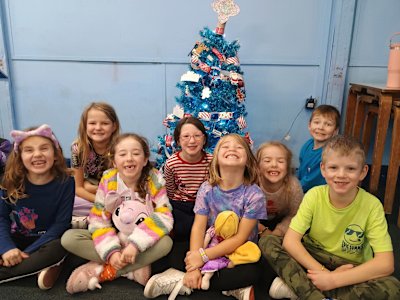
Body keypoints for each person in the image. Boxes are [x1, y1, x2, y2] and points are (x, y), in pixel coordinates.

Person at [260, 135, 400, 300]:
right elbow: (291, 241)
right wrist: (324, 274)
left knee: (392, 288)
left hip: (349, 266)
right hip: (314, 257)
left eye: (350, 169)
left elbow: (385, 264)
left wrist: (334, 279)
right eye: (333, 168)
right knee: (268, 241)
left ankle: (299, 289)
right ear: (323, 169)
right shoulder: (314, 196)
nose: (341, 175)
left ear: (363, 172)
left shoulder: (372, 205)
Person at [144, 134, 267, 300]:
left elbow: (239, 238)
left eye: (239, 147)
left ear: (247, 160)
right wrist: (193, 266)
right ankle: (224, 286)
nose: (232, 149)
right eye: (225, 146)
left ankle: (184, 280)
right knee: (174, 251)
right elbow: (198, 227)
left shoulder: (254, 194)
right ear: (216, 160)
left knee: (254, 271)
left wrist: (202, 257)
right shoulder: (207, 188)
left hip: (238, 252)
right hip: (210, 243)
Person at [61, 133, 173, 294]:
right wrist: (111, 252)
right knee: (69, 238)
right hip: (114, 238)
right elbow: (98, 220)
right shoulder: (109, 179)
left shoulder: (154, 179)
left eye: (136, 153)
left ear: (145, 159)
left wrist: (135, 245)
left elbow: (164, 216)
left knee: (166, 243)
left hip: (141, 243)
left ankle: (104, 272)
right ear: (114, 161)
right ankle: (130, 267)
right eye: (122, 154)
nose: (129, 158)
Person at [0, 124, 74, 290]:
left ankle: (8, 271)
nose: (37, 154)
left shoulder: (66, 182)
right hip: (18, 238)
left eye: (44, 148)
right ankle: (28, 266)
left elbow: (61, 224)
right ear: (19, 156)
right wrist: (7, 248)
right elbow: (1, 218)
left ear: (55, 154)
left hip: (49, 241)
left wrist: (27, 253)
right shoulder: (9, 181)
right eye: (29, 150)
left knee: (62, 245)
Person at [70, 102, 120, 228]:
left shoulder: (120, 148)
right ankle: (99, 217)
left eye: (104, 123)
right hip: (93, 196)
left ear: (114, 126)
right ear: (85, 126)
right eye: (92, 123)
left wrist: (91, 188)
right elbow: (78, 188)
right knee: (70, 203)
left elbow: (121, 186)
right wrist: (100, 202)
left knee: (127, 203)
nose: (98, 127)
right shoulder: (78, 148)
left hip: (114, 192)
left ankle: (103, 217)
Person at [164, 116, 212, 241]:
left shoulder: (212, 161)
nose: (192, 141)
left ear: (204, 139)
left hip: (206, 204)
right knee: (183, 229)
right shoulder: (171, 163)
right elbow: (170, 191)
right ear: (178, 141)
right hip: (181, 204)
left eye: (197, 136)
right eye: (186, 136)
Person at [256, 141, 303, 238]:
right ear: (258, 167)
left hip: (282, 222)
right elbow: (242, 215)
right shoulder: (252, 184)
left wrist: (278, 232)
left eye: (280, 161)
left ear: (287, 167)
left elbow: (295, 215)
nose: (274, 165)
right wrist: (262, 230)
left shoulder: (294, 186)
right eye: (267, 161)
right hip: (254, 223)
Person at [297, 104, 340, 193]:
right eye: (317, 122)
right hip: (302, 186)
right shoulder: (307, 145)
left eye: (328, 124)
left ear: (335, 131)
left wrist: (293, 189)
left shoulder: (328, 154)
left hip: (317, 193)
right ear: (309, 125)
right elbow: (301, 169)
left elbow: (310, 182)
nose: (321, 127)